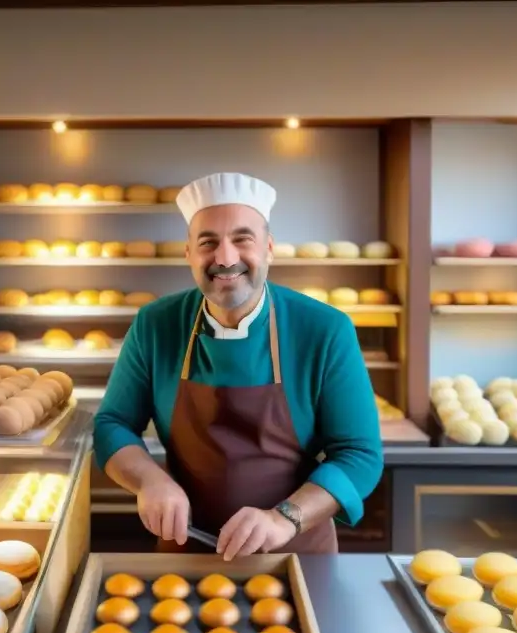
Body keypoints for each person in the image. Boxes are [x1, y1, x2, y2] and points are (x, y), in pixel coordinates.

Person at [92, 172, 384, 559]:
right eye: (207, 242)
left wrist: (285, 519)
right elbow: (112, 423)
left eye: (242, 239)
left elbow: (359, 454)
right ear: (189, 255)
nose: (225, 258)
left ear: (269, 248)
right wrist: (149, 481)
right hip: (186, 546)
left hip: (294, 551)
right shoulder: (156, 324)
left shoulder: (324, 329)